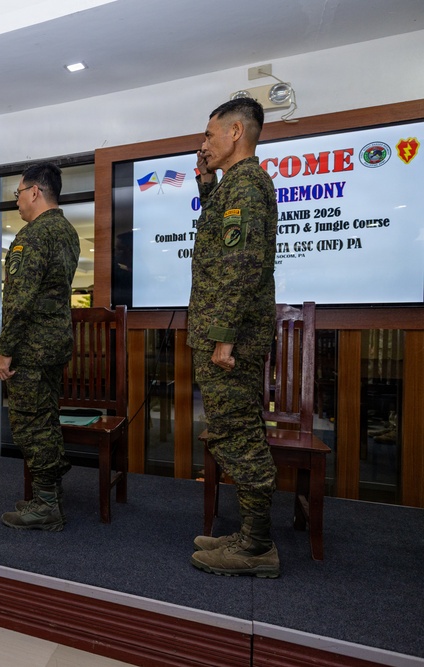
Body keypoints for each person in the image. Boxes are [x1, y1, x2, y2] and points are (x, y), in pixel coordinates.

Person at [188, 97, 279, 578]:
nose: (204, 144)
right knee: (233, 428)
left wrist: (223, 338)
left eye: (209, 135)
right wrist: (205, 183)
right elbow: (216, 241)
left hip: (229, 339)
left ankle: (257, 547)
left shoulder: (246, 185)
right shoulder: (232, 186)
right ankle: (250, 534)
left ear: (236, 132)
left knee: (236, 433)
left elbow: (239, 267)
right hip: (222, 333)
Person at [0, 162, 80, 531]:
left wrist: (5, 350)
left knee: (31, 424)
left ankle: (46, 505)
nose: (17, 202)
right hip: (55, 344)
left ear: (34, 192)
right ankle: (50, 496)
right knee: (46, 419)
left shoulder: (31, 237)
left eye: (18, 194)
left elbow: (19, 300)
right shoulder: (67, 232)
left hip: (30, 348)